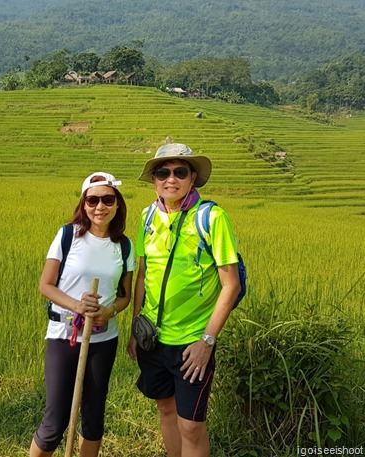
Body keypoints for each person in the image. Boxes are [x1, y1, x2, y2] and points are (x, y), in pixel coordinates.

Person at [128, 144, 241, 457]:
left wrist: (207, 341)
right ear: (153, 179)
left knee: (191, 425)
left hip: (192, 342)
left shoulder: (212, 218)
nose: (171, 179)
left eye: (180, 172)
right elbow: (142, 276)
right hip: (153, 339)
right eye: (163, 172)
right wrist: (135, 329)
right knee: (165, 408)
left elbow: (230, 285)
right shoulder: (147, 217)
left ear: (193, 178)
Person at [30, 172, 135, 457]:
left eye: (107, 199)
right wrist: (78, 306)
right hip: (65, 336)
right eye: (93, 200)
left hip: (104, 338)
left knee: (93, 418)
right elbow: (46, 285)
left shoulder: (123, 246)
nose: (100, 206)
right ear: (84, 203)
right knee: (55, 423)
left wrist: (108, 310)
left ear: (117, 204)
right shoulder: (67, 236)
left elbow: (125, 296)